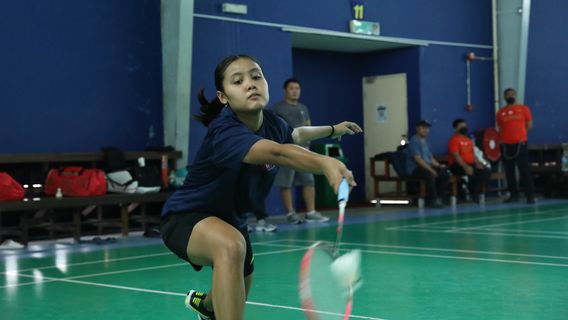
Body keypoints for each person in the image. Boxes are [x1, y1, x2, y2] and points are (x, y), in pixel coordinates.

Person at [160, 54, 361, 320]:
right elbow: (278, 153)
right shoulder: (225, 131)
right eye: (238, 80)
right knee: (231, 247)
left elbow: (294, 135)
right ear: (224, 97)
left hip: (234, 222)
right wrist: (324, 163)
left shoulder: (272, 122)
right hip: (187, 217)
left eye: (256, 76)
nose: (250, 84)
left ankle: (206, 306)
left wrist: (334, 129)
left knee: (237, 285)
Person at [271, 78, 329, 224]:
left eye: (297, 88)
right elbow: (272, 129)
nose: (295, 91)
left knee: (309, 181)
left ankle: (311, 212)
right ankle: (291, 214)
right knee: (286, 183)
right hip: (286, 151)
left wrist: (308, 145)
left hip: (303, 152)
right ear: (285, 91)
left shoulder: (303, 108)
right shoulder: (277, 109)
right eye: (291, 88)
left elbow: (309, 127)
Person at [496, 88, 535, 204]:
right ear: (504, 97)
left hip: (520, 143)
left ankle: (530, 196)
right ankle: (514, 195)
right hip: (506, 145)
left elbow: (529, 124)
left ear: (515, 96)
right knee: (509, 171)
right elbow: (499, 128)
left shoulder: (523, 109)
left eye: (512, 94)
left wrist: (521, 136)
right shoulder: (500, 113)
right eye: (507, 95)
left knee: (524, 170)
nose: (510, 96)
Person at [405, 120, 451, 208]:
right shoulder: (414, 141)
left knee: (444, 174)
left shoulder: (424, 141)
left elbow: (430, 158)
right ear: (417, 129)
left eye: (427, 128)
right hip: (415, 169)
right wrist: (431, 170)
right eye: (423, 128)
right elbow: (418, 159)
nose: (426, 130)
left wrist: (438, 166)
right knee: (430, 175)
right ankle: (432, 200)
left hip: (425, 167)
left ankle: (440, 197)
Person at [448, 118, 491, 202]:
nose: (464, 127)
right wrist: (465, 167)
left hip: (470, 163)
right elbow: (456, 156)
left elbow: (473, 154)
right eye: (461, 126)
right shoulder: (453, 140)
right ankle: (473, 195)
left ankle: (480, 192)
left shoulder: (468, 140)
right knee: (470, 172)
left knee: (485, 170)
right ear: (456, 128)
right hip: (457, 165)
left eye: (465, 126)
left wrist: (478, 162)